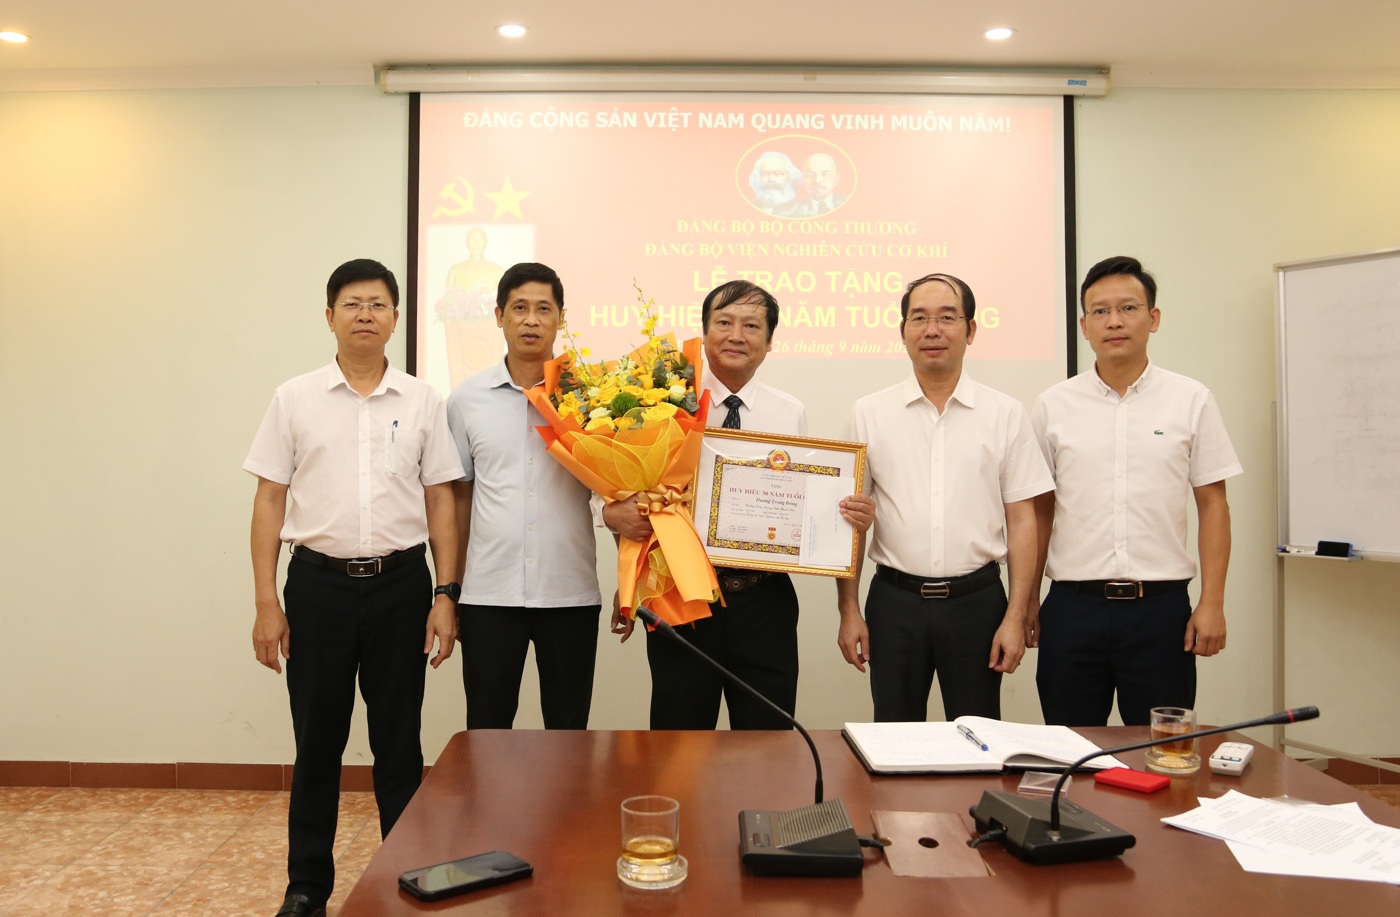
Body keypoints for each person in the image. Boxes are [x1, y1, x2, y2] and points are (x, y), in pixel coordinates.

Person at [245, 259, 462, 917]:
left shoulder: (422, 400)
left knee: (399, 744)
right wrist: (266, 602)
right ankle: (307, 887)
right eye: (352, 303)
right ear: (330, 316)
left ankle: (407, 876)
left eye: (377, 304)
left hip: (401, 587)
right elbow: (269, 499)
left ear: (396, 317)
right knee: (317, 745)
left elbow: (441, 500)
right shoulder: (294, 397)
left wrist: (445, 594)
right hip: (318, 588)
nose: (365, 314)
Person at [604, 280, 874, 729]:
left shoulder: (789, 412)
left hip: (764, 599)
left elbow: (799, 501)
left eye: (751, 326)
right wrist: (628, 571)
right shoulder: (665, 404)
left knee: (767, 741)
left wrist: (845, 514)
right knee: (680, 744)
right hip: (682, 596)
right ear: (704, 332)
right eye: (724, 322)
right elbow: (624, 494)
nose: (736, 335)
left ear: (769, 342)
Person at [1028, 255, 1241, 727]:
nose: (1115, 321)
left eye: (1128, 308)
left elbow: (1213, 505)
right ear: (1084, 326)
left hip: (1161, 612)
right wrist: (1026, 601)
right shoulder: (1053, 406)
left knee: (1161, 751)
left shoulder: (1191, 399)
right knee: (1070, 749)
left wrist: (1212, 602)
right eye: (1100, 311)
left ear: (1153, 318)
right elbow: (1039, 513)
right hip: (1072, 609)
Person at [837, 273, 1052, 722]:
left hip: (978, 604)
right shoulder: (868, 413)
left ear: (970, 330)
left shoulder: (1005, 414)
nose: (932, 330)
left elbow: (1023, 521)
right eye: (919, 318)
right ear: (903, 332)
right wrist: (849, 610)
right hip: (894, 603)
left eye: (947, 318)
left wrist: (1015, 616)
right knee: (893, 736)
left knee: (978, 736)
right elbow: (850, 522)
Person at [447, 262, 609, 729]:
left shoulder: (591, 399)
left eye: (544, 309)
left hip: (569, 591)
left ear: (561, 318)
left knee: (568, 730)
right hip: (489, 594)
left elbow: (615, 489)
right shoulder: (466, 400)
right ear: (500, 316)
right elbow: (459, 500)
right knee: (487, 729)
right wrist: (450, 589)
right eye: (519, 308)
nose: (531, 320)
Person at [792, 152, 849, 217]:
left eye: (825, 174)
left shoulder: (849, 203)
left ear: (836, 179)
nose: (817, 181)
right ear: (804, 179)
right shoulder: (791, 210)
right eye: (810, 175)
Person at [748, 151, 804, 216]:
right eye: (765, 174)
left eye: (777, 173)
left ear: (789, 177)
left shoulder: (802, 209)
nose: (771, 179)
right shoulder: (749, 207)